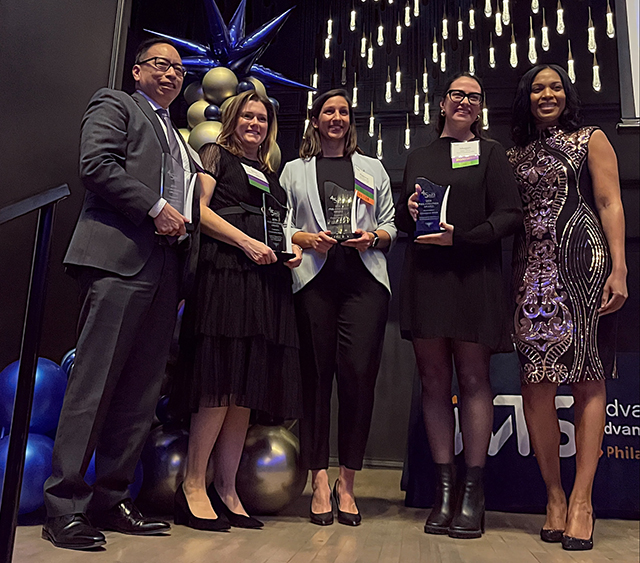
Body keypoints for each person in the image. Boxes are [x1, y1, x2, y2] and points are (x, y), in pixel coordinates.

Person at [43, 38, 201, 549]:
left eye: (179, 68)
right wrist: (156, 207)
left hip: (164, 269)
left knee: (140, 392)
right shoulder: (115, 103)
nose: (172, 73)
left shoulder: (178, 137)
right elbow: (96, 165)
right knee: (93, 386)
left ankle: (110, 499)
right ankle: (64, 506)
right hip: (118, 260)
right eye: (161, 64)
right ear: (136, 72)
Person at [395, 72, 522, 539]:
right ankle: (443, 492)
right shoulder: (418, 157)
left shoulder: (491, 153)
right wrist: (409, 213)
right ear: (442, 104)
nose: (465, 102)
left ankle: (473, 492)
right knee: (432, 380)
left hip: (473, 277)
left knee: (472, 378)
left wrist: (463, 239)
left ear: (480, 107)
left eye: (474, 97)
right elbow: (408, 222)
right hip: (426, 278)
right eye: (457, 95)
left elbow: (509, 215)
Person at [507, 64, 627, 551]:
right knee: (535, 380)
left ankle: (582, 500)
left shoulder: (591, 138)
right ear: (526, 97)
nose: (547, 94)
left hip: (582, 266)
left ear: (567, 94)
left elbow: (610, 202)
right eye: (538, 88)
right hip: (529, 273)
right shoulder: (513, 153)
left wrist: (619, 269)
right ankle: (553, 496)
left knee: (587, 374)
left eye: (555, 86)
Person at [172, 89, 303, 532]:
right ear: (233, 119)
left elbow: (277, 228)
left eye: (262, 118)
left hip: (264, 286)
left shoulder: (270, 172)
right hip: (225, 276)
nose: (255, 124)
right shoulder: (215, 155)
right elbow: (198, 212)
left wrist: (289, 252)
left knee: (244, 389)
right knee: (219, 382)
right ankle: (193, 485)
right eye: (247, 116)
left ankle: (227, 489)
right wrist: (245, 241)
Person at [280, 89, 397, 527]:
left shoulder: (373, 168)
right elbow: (283, 222)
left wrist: (375, 238)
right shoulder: (294, 170)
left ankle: (348, 482)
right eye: (328, 111)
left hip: (365, 283)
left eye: (344, 111)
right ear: (315, 120)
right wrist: (304, 239)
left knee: (357, 380)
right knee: (314, 380)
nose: (337, 117)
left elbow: (389, 224)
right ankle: (319, 479)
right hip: (314, 281)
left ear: (351, 120)